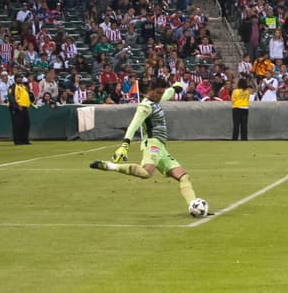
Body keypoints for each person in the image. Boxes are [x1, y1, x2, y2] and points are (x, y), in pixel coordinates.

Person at [89, 77, 203, 216]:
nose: (160, 95)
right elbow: (134, 125)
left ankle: (193, 206)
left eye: (161, 93)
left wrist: (174, 88)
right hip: (152, 144)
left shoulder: (157, 100)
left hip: (161, 148)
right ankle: (110, 166)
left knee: (184, 177)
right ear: (150, 90)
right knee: (146, 173)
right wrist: (125, 145)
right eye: (158, 93)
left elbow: (166, 94)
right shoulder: (145, 106)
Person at [9, 74, 32, 145]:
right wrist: (16, 106)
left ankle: (25, 140)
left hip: (25, 107)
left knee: (26, 124)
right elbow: (11, 97)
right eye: (18, 78)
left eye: (21, 78)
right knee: (17, 125)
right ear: (15, 79)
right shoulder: (12, 87)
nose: (20, 79)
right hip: (18, 108)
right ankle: (17, 140)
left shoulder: (23, 87)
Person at [231, 74, 252, 141]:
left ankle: (235, 138)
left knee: (236, 124)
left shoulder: (235, 91)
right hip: (245, 108)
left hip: (236, 108)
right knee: (244, 124)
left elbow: (233, 100)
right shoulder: (247, 91)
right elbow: (248, 99)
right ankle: (244, 138)